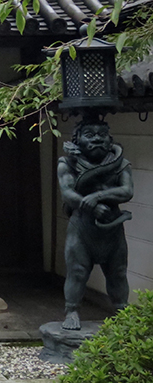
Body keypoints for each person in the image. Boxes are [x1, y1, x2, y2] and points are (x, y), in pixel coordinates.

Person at [57, 115, 133, 330]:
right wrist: (89, 206)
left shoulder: (120, 163)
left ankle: (121, 311)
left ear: (110, 140)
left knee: (118, 272)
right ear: (77, 140)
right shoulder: (67, 163)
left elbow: (127, 191)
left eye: (102, 135)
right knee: (77, 272)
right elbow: (68, 194)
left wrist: (98, 197)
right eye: (89, 135)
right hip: (82, 227)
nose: (97, 139)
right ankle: (72, 310)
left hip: (112, 227)